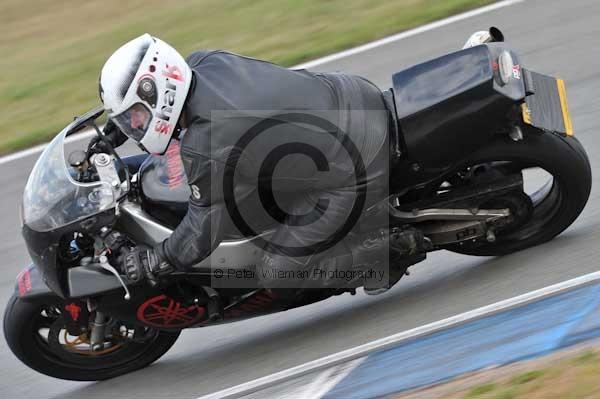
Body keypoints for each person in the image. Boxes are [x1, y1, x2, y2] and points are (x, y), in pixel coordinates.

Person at [97, 33, 425, 299]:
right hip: (355, 96)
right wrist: (115, 132)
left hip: (356, 171)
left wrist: (159, 258)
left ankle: (384, 252)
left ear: (161, 95)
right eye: (129, 120)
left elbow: (202, 231)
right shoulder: (204, 62)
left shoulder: (207, 142)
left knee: (277, 274)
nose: (135, 125)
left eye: (135, 116)